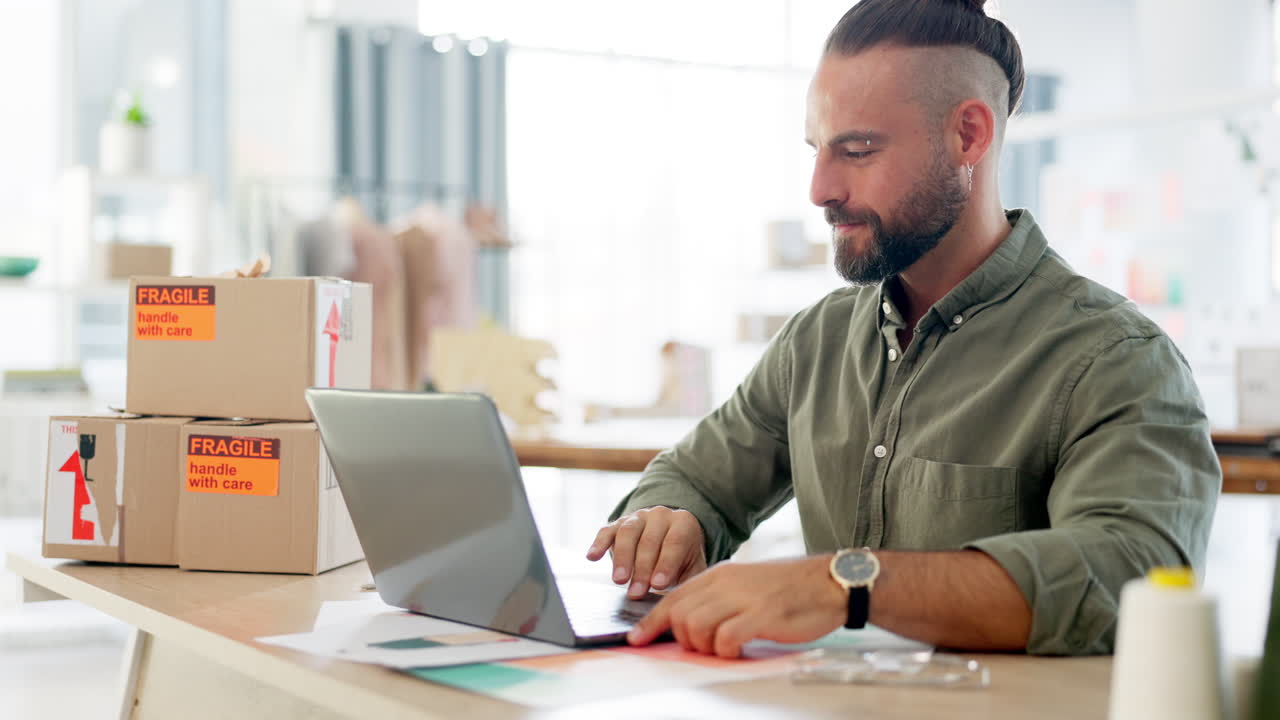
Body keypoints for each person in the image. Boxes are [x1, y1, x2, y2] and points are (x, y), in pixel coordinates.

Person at [586, 0, 1220, 658]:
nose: (820, 188)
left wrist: (848, 585)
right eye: (818, 150)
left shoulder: (1115, 359)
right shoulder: (817, 342)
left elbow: (1134, 576)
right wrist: (669, 521)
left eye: (857, 150)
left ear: (968, 137)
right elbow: (692, 481)